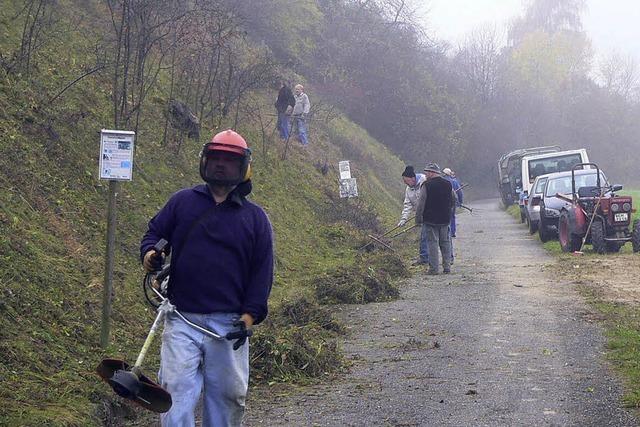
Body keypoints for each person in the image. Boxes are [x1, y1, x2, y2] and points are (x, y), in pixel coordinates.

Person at [140, 129, 274, 426]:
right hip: (181, 318)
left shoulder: (255, 219)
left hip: (228, 326)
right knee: (174, 395)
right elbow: (154, 233)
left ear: (243, 168)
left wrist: (249, 317)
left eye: (228, 160)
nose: (220, 165)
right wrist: (150, 254)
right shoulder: (182, 202)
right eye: (215, 158)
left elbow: (261, 273)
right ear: (204, 161)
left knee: (228, 398)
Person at [415, 163, 456, 275]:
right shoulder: (448, 184)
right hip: (445, 219)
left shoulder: (426, 185)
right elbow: (454, 199)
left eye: (427, 172)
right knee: (445, 243)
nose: (425, 174)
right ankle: (447, 267)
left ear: (431, 173)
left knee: (432, 243)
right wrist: (449, 210)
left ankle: (434, 269)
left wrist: (418, 219)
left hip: (430, 220)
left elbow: (421, 204)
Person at [397, 166, 428, 265]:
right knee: (424, 236)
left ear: (413, 178)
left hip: (431, 212)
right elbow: (407, 205)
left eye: (406, 181)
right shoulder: (408, 190)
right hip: (421, 215)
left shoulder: (425, 181)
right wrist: (404, 219)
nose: (405, 183)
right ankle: (425, 257)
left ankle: (448, 257)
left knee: (437, 236)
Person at [443, 167, 463, 264]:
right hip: (453, 203)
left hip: (443, 204)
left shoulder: (442, 181)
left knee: (446, 219)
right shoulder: (454, 182)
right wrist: (460, 202)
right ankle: (453, 232)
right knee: (452, 217)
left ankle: (449, 232)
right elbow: (459, 193)